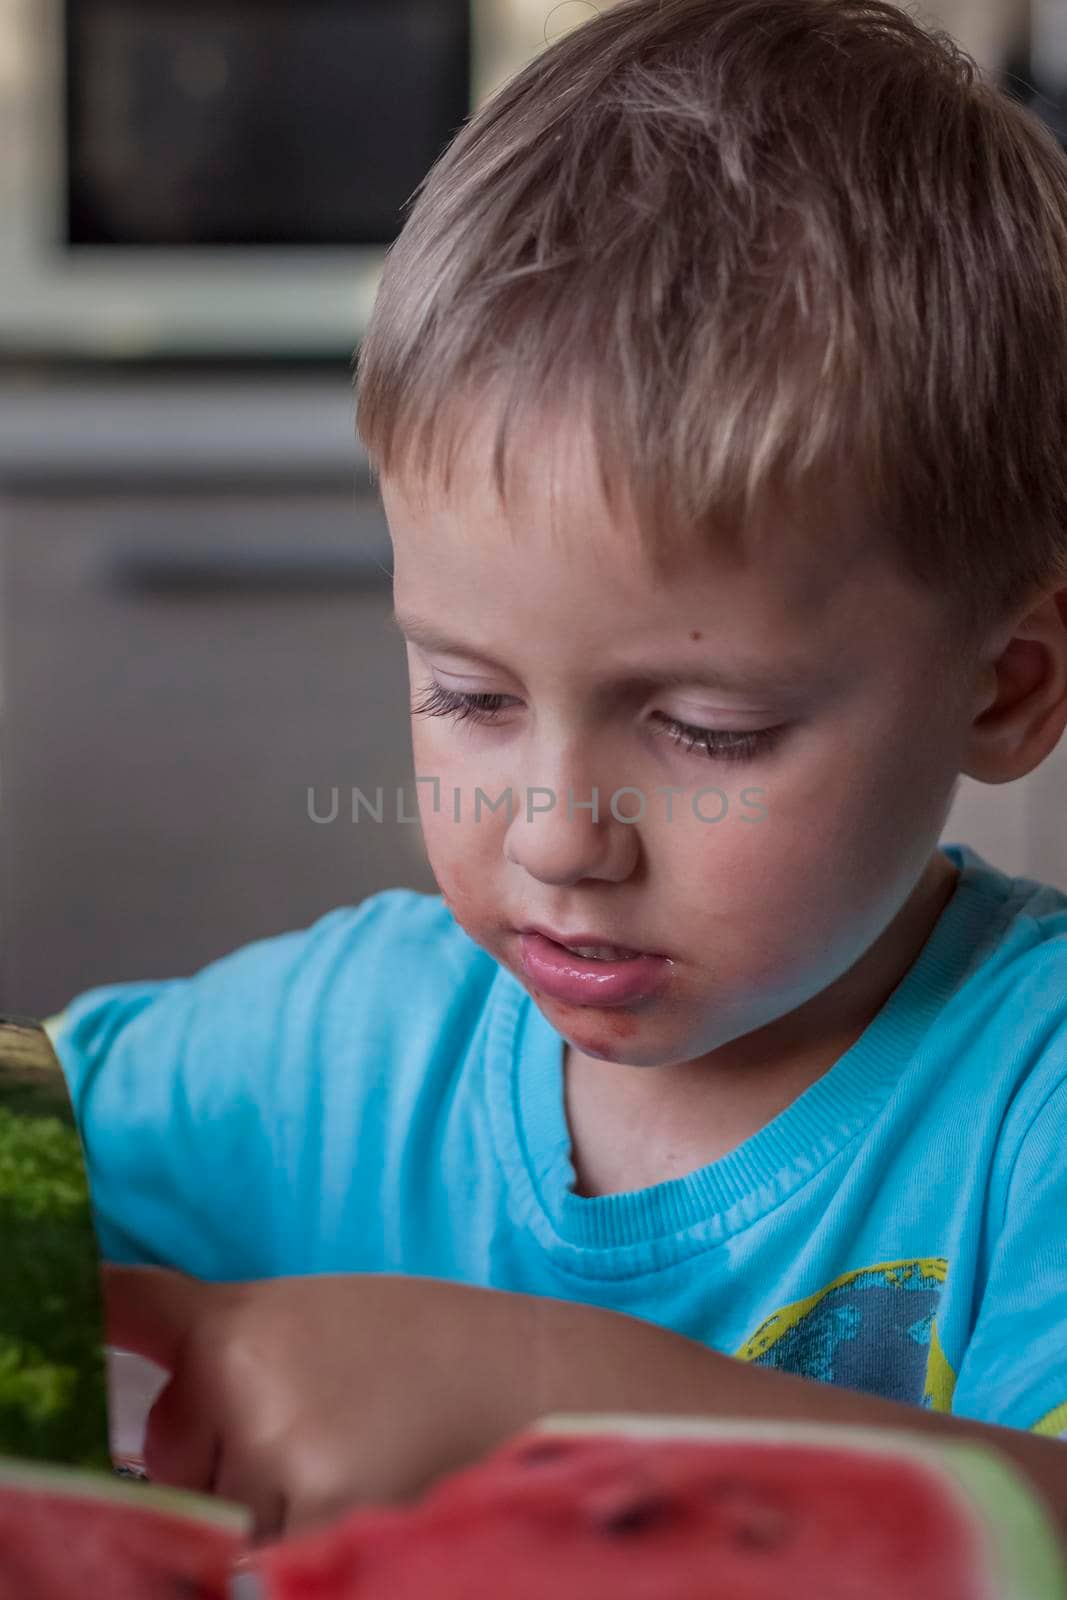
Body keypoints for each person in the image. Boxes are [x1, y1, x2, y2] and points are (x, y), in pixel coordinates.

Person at [53, 0, 1067, 1546]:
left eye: (705, 730)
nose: (555, 836)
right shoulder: (340, 1053)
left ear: (1008, 686)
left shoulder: (1031, 1105)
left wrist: (549, 1386)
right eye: (467, 693)